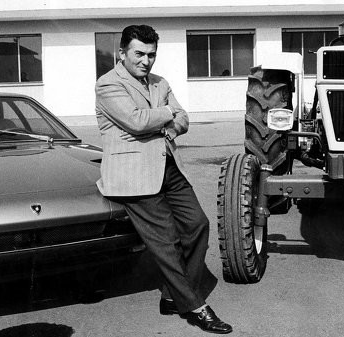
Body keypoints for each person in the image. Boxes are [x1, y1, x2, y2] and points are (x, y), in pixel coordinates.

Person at [94, 24, 233, 334]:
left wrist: (167, 118)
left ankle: (173, 295)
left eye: (151, 55)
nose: (146, 61)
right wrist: (167, 112)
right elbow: (136, 120)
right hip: (133, 175)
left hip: (168, 166)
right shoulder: (107, 84)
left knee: (198, 225)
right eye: (139, 54)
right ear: (122, 53)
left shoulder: (159, 82)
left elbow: (183, 119)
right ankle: (196, 305)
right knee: (167, 240)